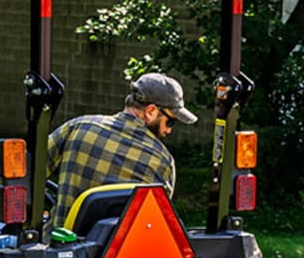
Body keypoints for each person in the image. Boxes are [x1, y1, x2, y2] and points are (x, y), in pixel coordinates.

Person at [47, 72, 197, 223]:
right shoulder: (162, 161)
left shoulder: (78, 128)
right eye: (170, 122)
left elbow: (31, 170)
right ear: (151, 111)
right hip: (121, 247)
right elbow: (154, 223)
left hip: (60, 244)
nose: (169, 130)